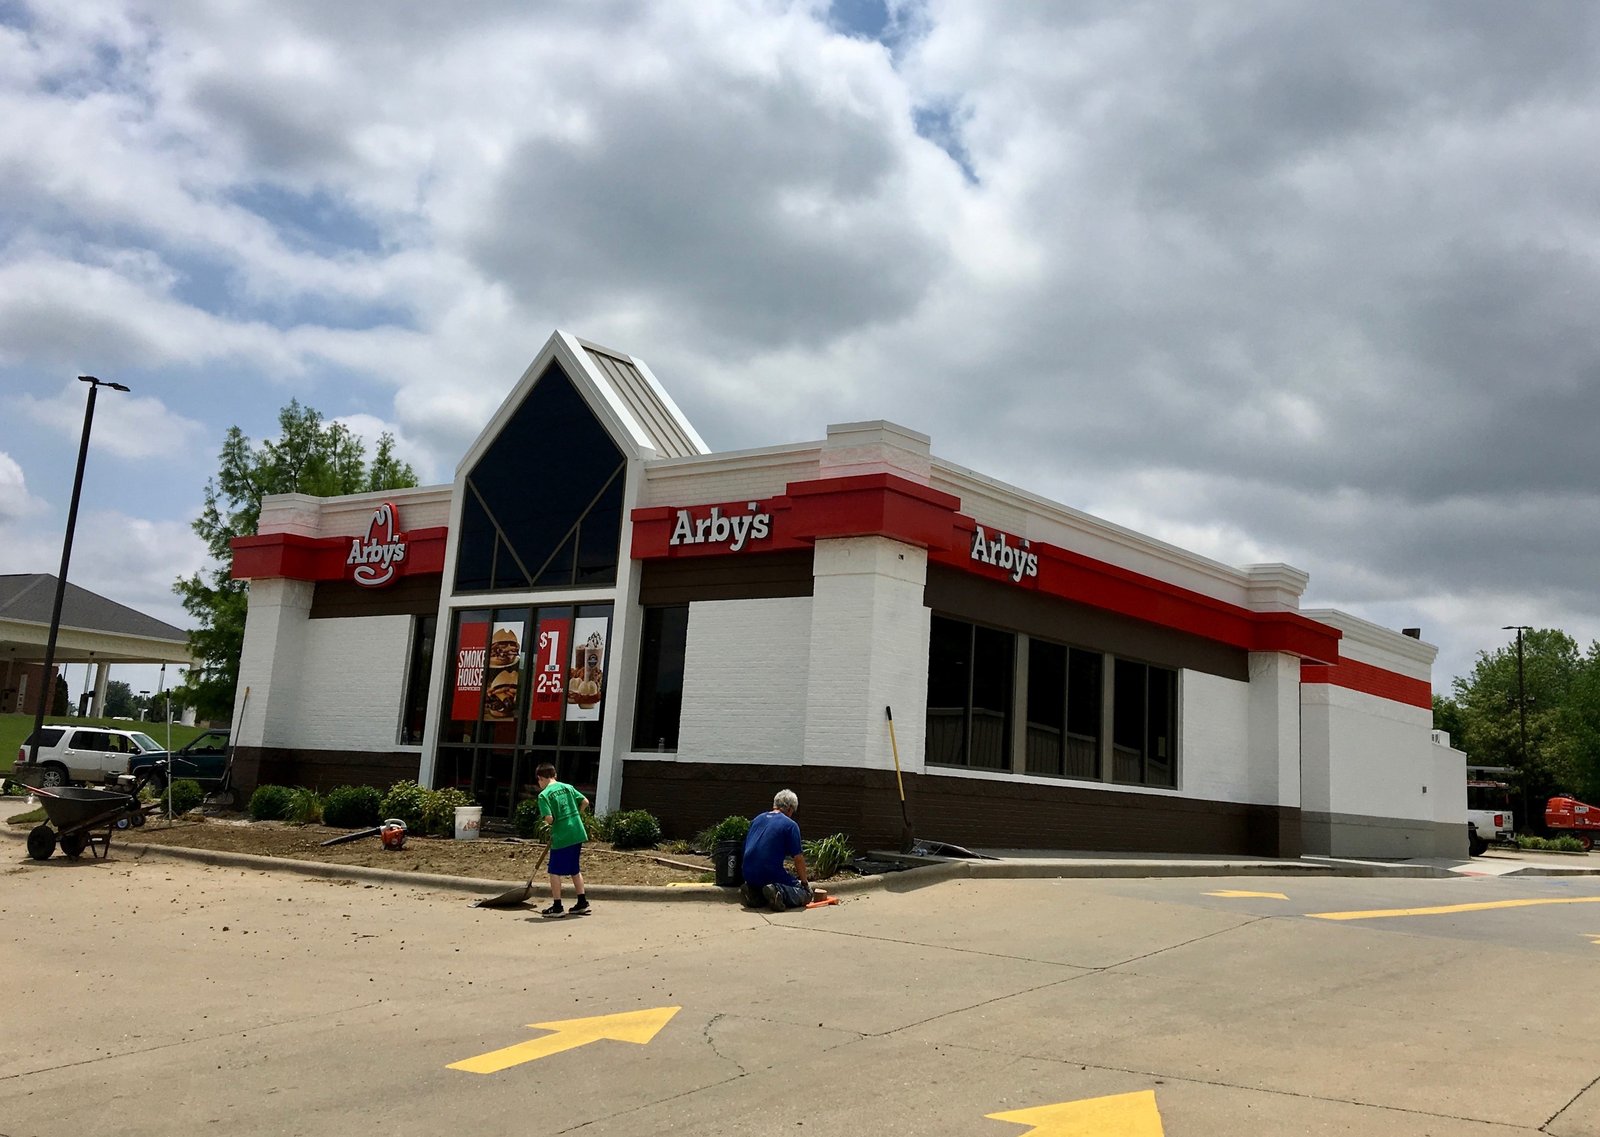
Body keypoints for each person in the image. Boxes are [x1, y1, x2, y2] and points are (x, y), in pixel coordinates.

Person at [738, 789, 812, 911]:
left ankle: (754, 893)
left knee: (763, 885)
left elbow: (746, 847)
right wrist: (804, 883)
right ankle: (778, 892)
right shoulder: (790, 825)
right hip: (769, 873)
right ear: (790, 808)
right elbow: (798, 858)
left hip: (748, 873)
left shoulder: (757, 819)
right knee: (804, 894)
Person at [536, 763, 590, 918]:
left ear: (540, 778)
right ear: (555, 775)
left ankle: (557, 906)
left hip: (562, 835)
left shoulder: (544, 795)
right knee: (574, 869)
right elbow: (585, 801)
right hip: (577, 832)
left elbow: (549, 818)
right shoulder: (568, 787)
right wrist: (576, 815)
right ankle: (582, 902)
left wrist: (552, 823)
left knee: (554, 870)